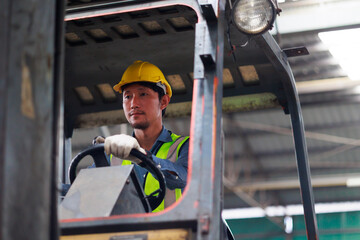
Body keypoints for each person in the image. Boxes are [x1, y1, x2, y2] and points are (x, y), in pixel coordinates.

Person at [95, 60, 189, 212]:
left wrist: (141, 156)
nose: (133, 104)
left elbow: (184, 179)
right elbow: (81, 192)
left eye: (143, 94)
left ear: (163, 101)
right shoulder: (109, 155)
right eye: (127, 96)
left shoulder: (184, 147)